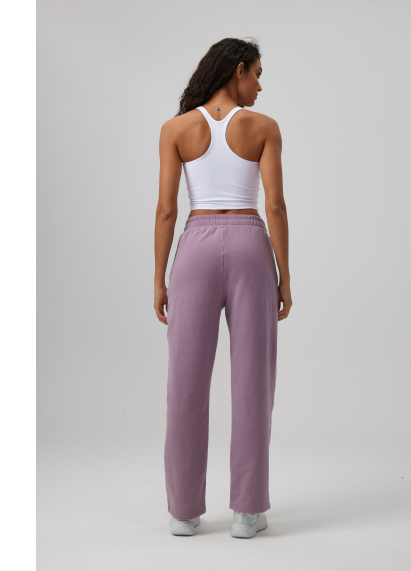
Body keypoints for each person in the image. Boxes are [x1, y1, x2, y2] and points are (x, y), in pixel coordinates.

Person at [154, 37, 292, 538]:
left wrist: (159, 278)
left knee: (185, 381)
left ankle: (183, 512)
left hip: (194, 247)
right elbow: (274, 206)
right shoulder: (264, 127)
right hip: (250, 244)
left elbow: (167, 209)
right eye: (257, 74)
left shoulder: (176, 128)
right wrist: (285, 275)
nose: (259, 86)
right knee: (253, 380)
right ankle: (247, 512)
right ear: (238, 70)